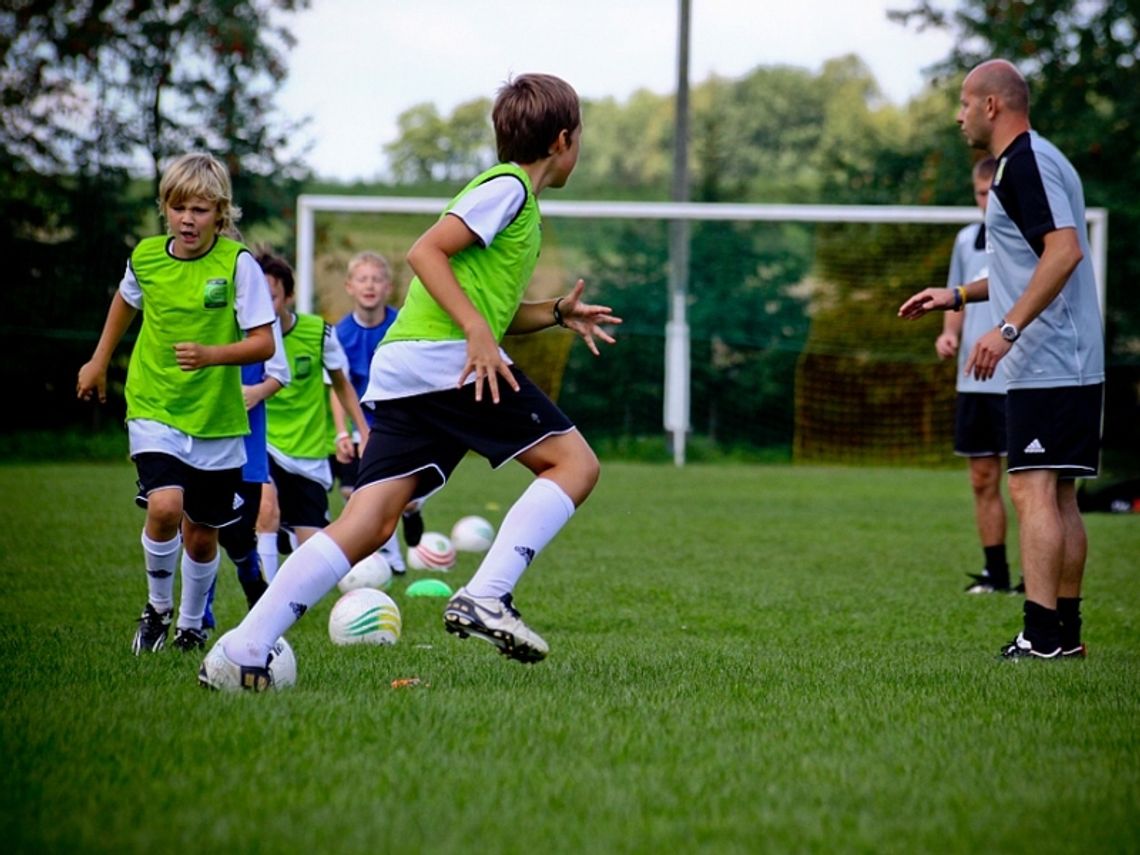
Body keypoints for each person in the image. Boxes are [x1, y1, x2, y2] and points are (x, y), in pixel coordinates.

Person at [200, 73, 621, 690]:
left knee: (368, 524)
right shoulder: (507, 189)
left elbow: (493, 310)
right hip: (443, 361)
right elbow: (427, 252)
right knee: (575, 466)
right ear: (563, 139)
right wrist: (478, 333)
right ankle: (488, 594)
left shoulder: (513, 202)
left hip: (410, 368)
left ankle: (246, 646)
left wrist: (554, 312)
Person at [899, 59, 1104, 659]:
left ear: (992, 105)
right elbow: (1028, 263)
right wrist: (960, 295)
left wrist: (1008, 329)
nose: (958, 115)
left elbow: (1062, 254)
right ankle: (1064, 635)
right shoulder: (1043, 158)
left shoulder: (1023, 165)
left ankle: (1039, 637)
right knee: (1058, 496)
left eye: (964, 103)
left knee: (1033, 493)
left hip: (1049, 356)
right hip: (1067, 356)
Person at [77, 152, 276, 654]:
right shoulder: (145, 256)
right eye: (179, 207)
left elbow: (263, 344)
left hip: (216, 418)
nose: (189, 219)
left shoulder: (238, 265)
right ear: (165, 207)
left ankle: (190, 624)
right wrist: (99, 361)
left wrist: (213, 354)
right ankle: (158, 608)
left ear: (221, 214)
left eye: (202, 210)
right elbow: (126, 300)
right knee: (166, 505)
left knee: (203, 535)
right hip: (154, 405)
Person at [256, 251, 373, 571]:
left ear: (289, 297)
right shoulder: (245, 337)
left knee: (312, 554)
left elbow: (342, 384)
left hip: (308, 452)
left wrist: (362, 430)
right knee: (266, 510)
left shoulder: (319, 333)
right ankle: (260, 602)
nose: (264, 307)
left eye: (272, 298)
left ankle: (286, 589)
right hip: (263, 442)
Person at [935, 156, 1020, 595]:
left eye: (993, 193)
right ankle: (996, 575)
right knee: (982, 478)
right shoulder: (967, 240)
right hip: (974, 380)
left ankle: (1037, 576)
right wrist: (948, 336)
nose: (986, 201)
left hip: (1021, 378)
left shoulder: (1027, 238)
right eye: (980, 194)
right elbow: (956, 297)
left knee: (1030, 486)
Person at [329, 251, 424, 574]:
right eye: (362, 279)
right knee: (355, 493)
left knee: (403, 498)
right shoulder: (340, 334)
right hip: (362, 424)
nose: (370, 285)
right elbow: (338, 387)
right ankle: (391, 560)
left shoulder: (403, 324)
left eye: (377, 279)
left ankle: (412, 512)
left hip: (399, 420)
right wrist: (343, 433)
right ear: (350, 286)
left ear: (388, 287)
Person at [202, 314, 290, 632]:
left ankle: (251, 576)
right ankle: (199, 616)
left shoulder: (262, 320)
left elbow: (281, 374)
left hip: (247, 451)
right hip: (202, 442)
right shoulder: (201, 309)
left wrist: (256, 391)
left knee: (236, 537)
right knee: (200, 530)